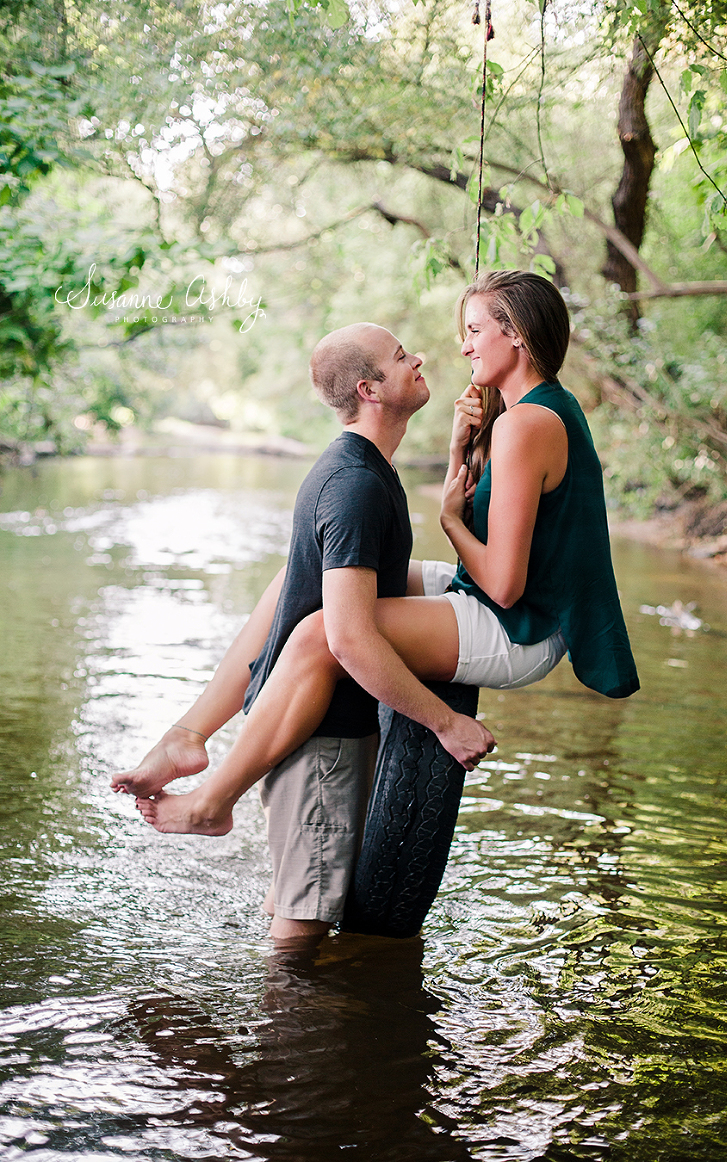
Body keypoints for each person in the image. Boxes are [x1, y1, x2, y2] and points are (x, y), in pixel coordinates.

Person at [122, 269, 639, 909]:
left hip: (521, 627)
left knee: (323, 635)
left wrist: (448, 521)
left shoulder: (526, 425)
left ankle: (213, 799)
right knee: (302, 576)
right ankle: (191, 732)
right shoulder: (530, 414)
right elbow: (489, 524)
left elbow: (503, 583)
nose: (464, 347)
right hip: (517, 601)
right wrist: (459, 449)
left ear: (519, 335)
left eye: (475, 331)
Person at [113, 321, 495, 943]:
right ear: (371, 388)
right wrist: (445, 723)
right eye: (402, 357)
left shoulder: (361, 469)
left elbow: (307, 595)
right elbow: (346, 636)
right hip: (319, 735)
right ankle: (290, 1036)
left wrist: (460, 450)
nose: (420, 356)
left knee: (304, 891)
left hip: (319, 723)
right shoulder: (354, 486)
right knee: (303, 926)